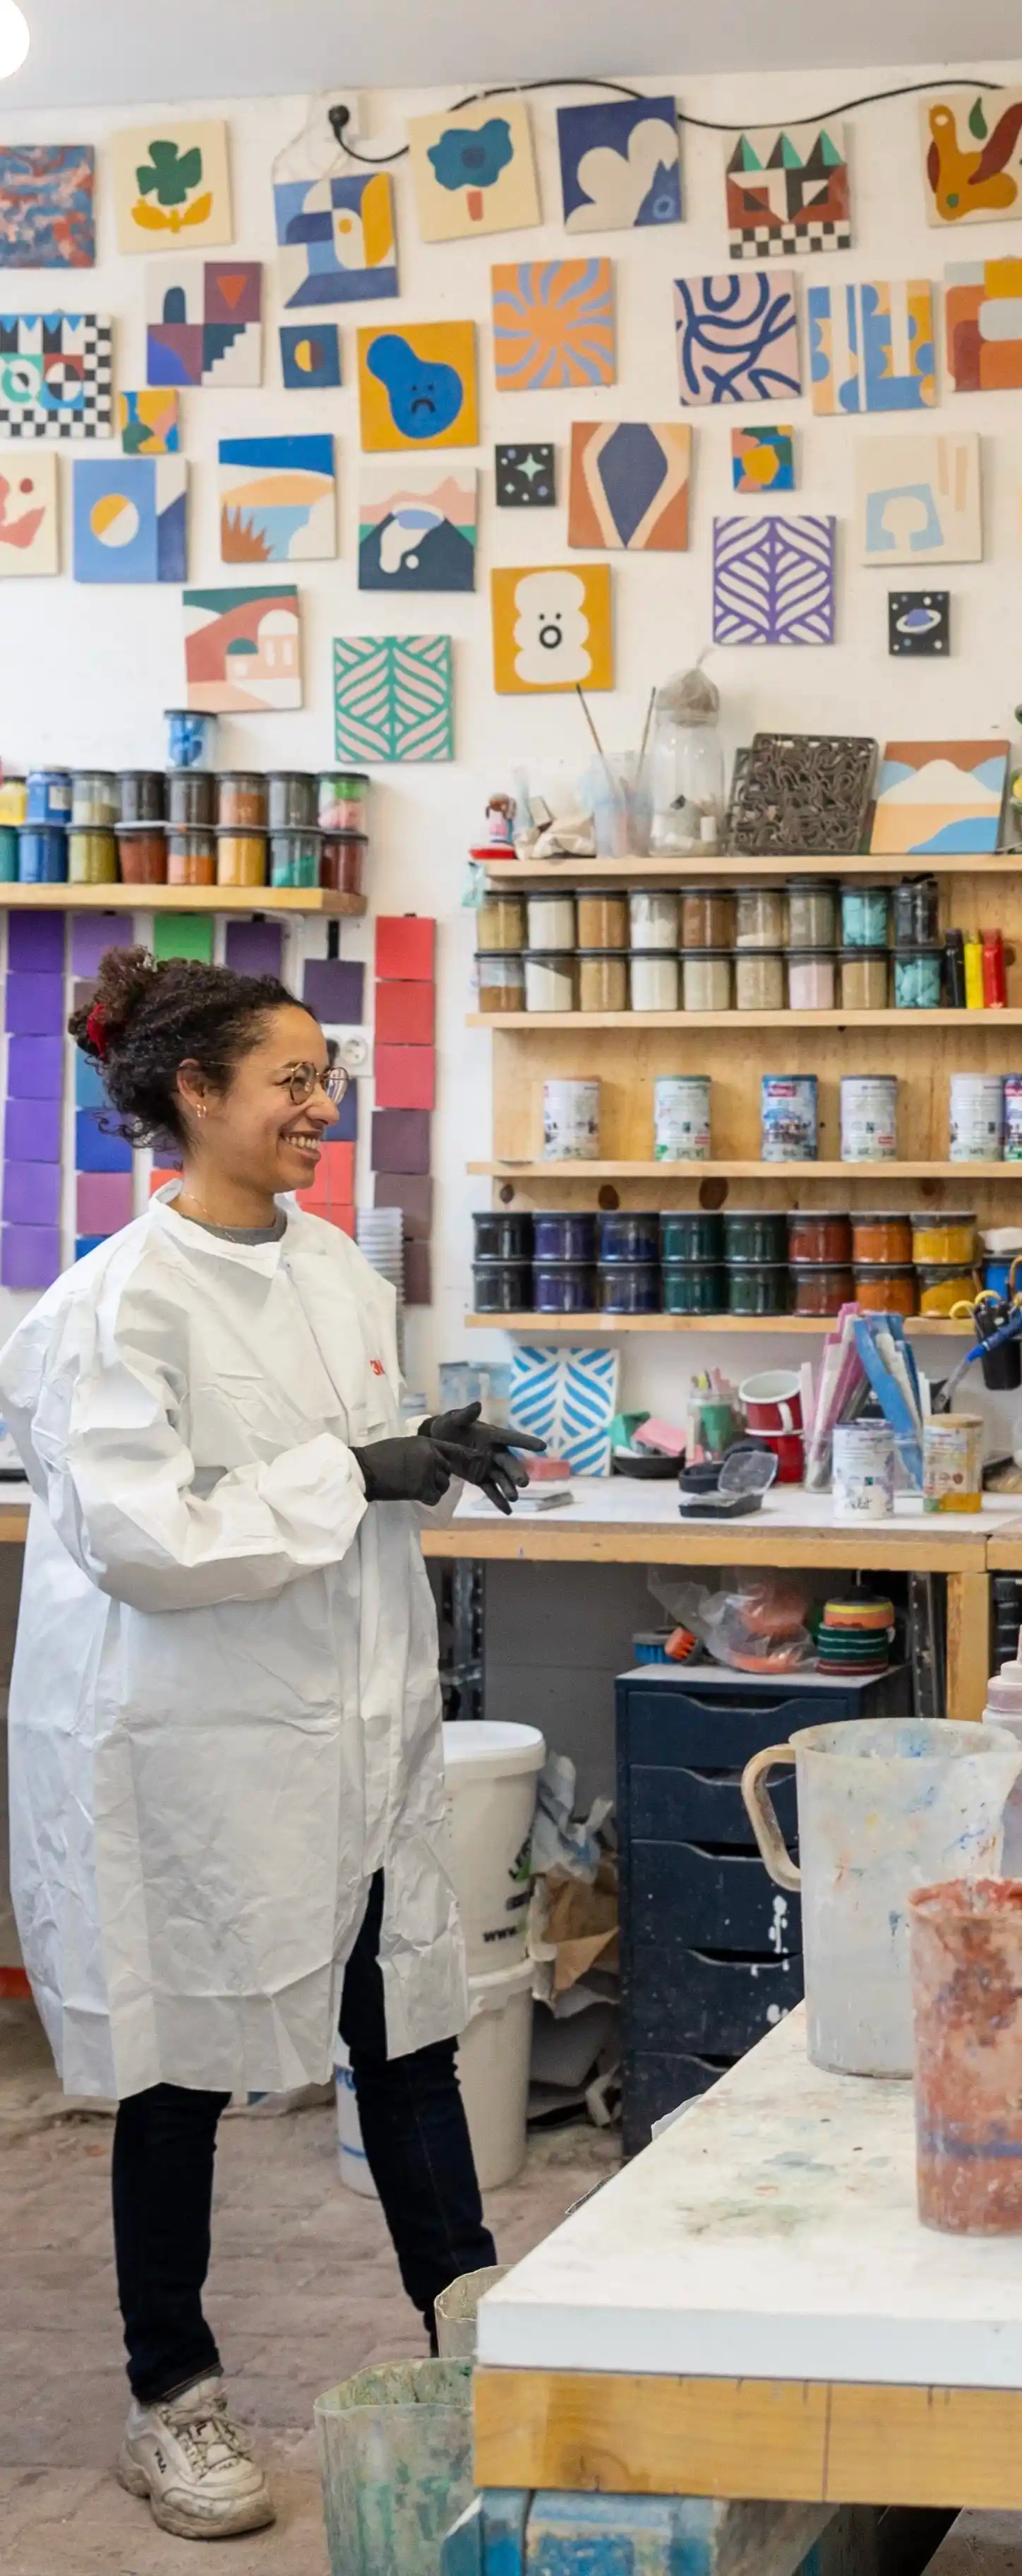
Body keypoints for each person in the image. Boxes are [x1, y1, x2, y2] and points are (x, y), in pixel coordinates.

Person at [0, 951, 539, 2541]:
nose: (323, 1106)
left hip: (358, 1736)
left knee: (411, 2040)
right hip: (195, 1754)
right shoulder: (113, 1305)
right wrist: (355, 1472)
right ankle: (171, 2398)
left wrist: (423, 1450)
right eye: (293, 1080)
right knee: (175, 2074)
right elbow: (145, 1538)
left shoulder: (338, 1272)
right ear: (195, 1093)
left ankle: (479, 2357)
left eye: (327, 1078)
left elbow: (345, 1464)